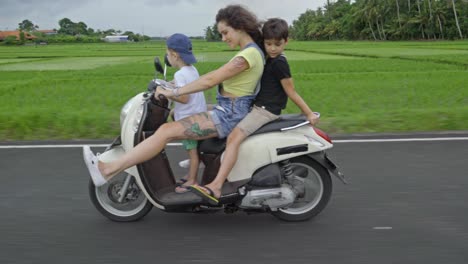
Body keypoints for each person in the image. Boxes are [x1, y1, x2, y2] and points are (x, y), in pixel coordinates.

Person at [83, 4, 265, 205]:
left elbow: (210, 80)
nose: (223, 38)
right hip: (228, 109)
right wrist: (174, 86)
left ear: (239, 27)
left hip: (230, 115)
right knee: (174, 124)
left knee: (165, 131)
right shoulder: (250, 52)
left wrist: (174, 92)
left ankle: (107, 169)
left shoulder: (248, 55)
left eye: (225, 32)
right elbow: (210, 79)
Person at [191, 18, 320, 200]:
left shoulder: (280, 63)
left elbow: (291, 91)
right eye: (269, 44)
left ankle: (217, 185)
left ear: (286, 41)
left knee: (234, 136)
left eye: (278, 44)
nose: (273, 48)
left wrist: (308, 113)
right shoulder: (264, 56)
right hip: (256, 106)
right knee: (207, 114)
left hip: (265, 111)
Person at [159, 33, 207, 193]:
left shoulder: (180, 73)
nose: (167, 57)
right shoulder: (191, 69)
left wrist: (168, 93)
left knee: (192, 152)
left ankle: (192, 181)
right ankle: (190, 174)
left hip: (189, 122)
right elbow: (185, 86)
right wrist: (170, 85)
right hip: (199, 115)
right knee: (173, 113)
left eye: (167, 54)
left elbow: (184, 97)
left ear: (174, 55)